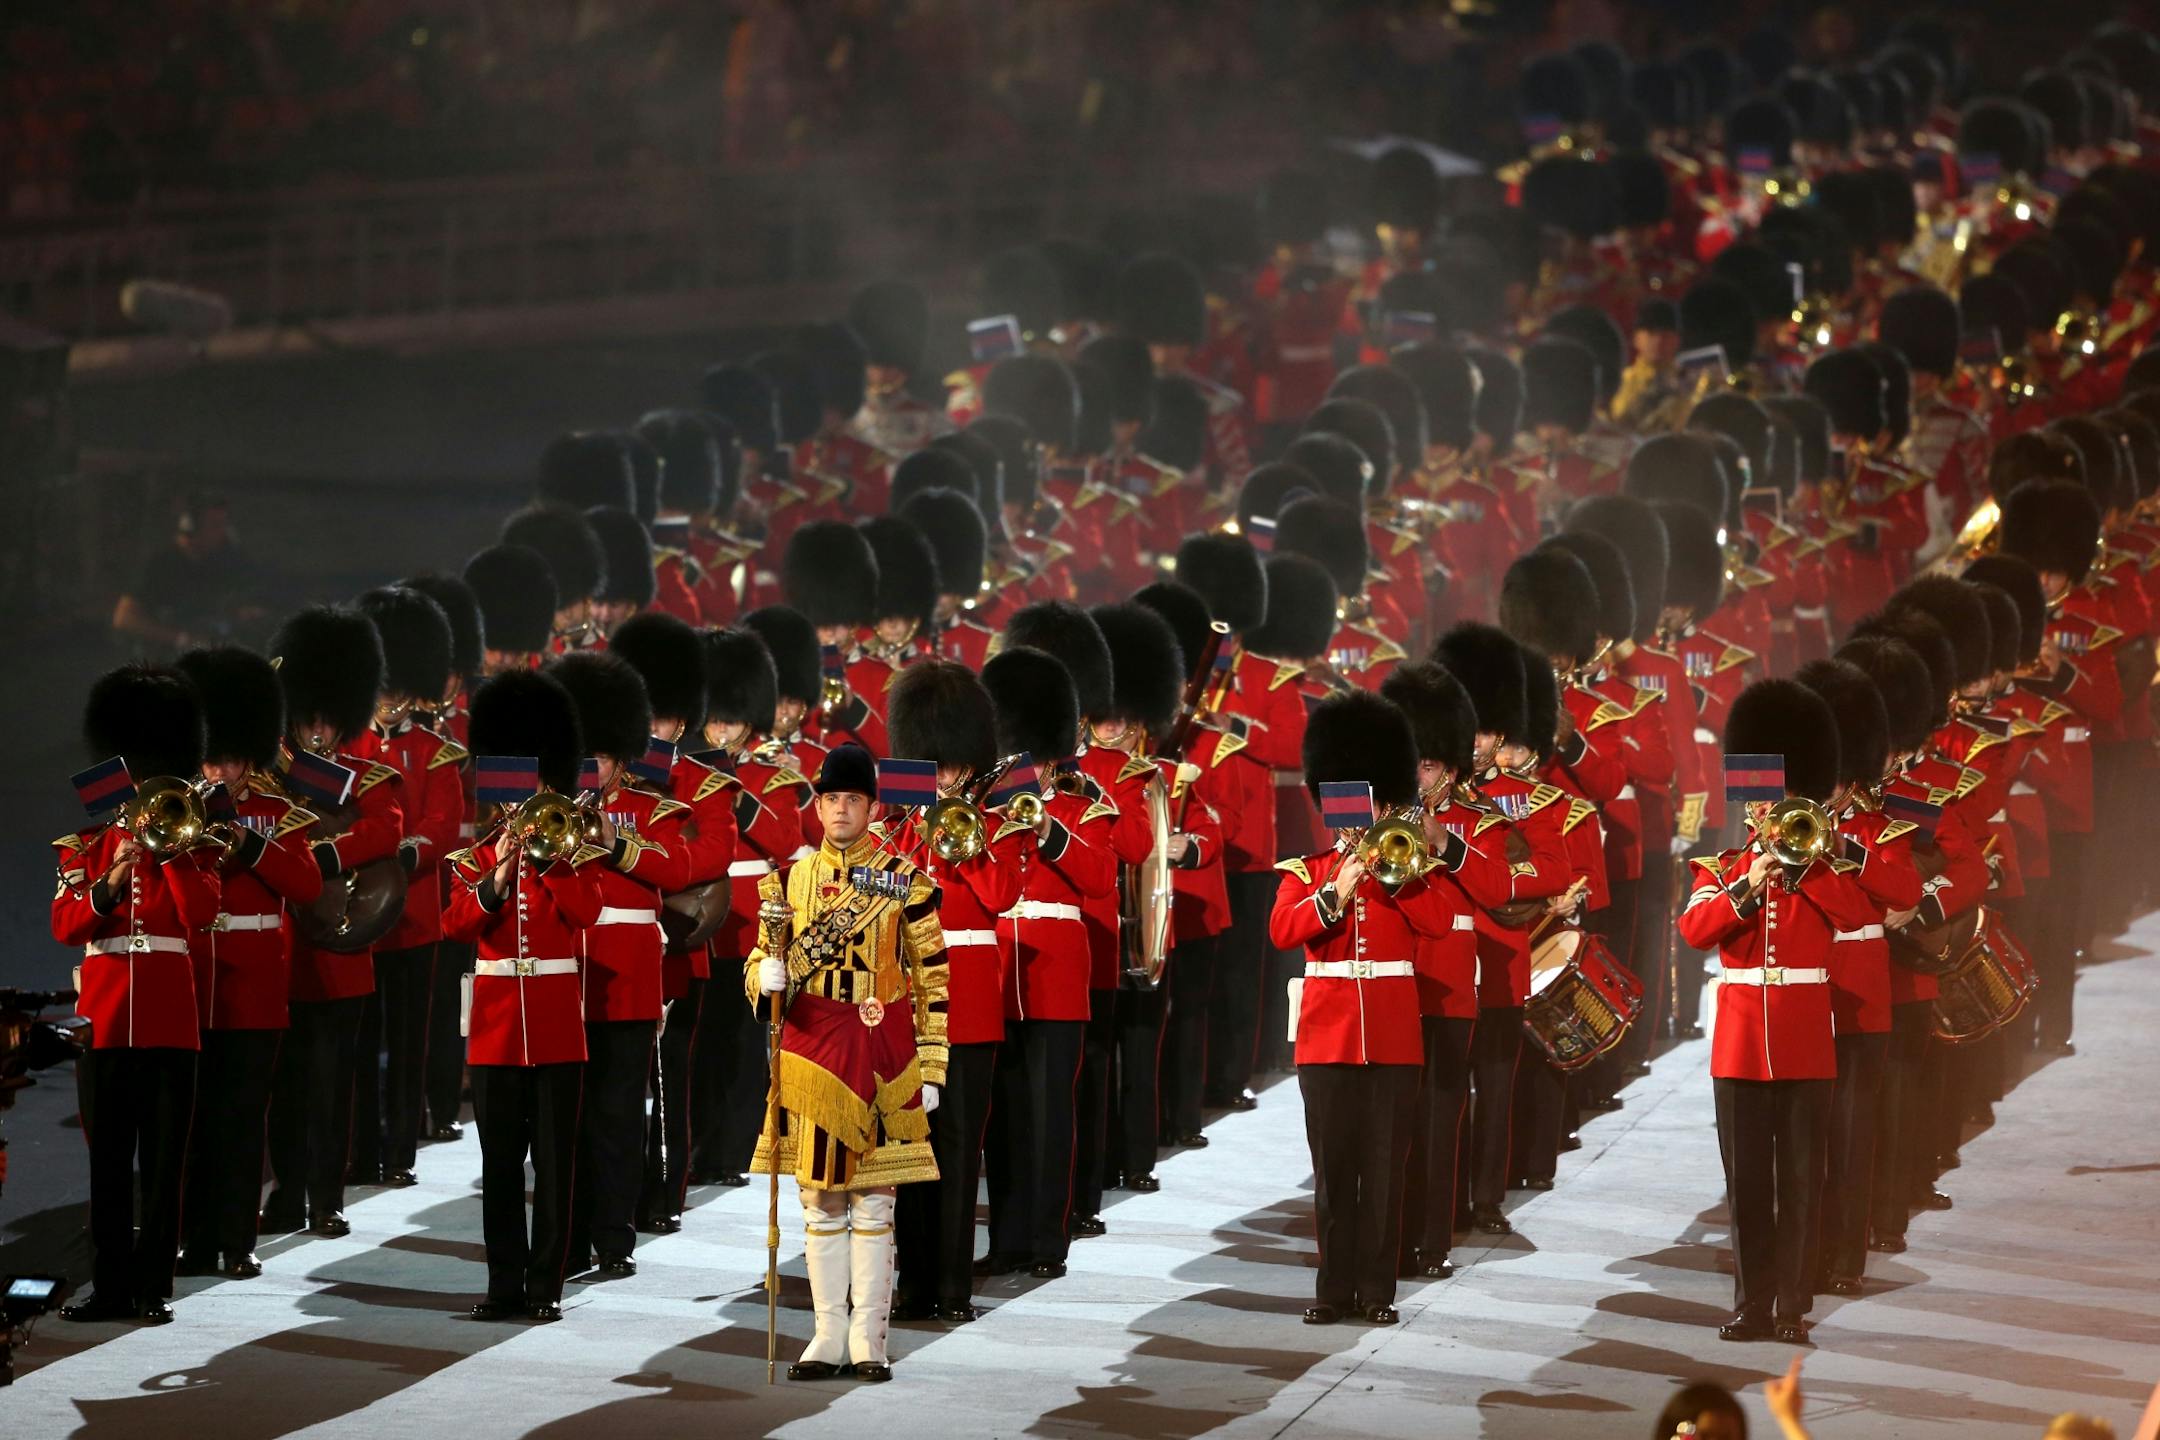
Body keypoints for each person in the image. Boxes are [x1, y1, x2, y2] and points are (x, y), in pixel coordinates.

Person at [1271, 689, 1484, 1326]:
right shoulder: (1305, 870)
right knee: (1334, 1173)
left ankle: (1377, 1291)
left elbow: (1442, 922)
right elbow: (1285, 930)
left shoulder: (1407, 870)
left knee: (1386, 1172)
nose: (1352, 822)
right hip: (1327, 1040)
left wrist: (1400, 873)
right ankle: (1333, 1290)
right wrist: (1338, 884)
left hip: (1391, 1037)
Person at [1679, 677, 1879, 1344]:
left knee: (1800, 1178)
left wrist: (1811, 865)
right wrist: (1746, 884)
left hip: (1802, 1041)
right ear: (1751, 808)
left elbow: (1858, 913)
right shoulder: (1721, 866)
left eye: (1784, 809)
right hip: (1739, 1043)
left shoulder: (1824, 872)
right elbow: (1694, 930)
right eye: (1765, 810)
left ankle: (1793, 1304)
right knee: (1747, 1186)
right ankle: (1751, 1302)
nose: (1772, 820)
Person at [749, 743, 949, 1383]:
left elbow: (932, 979)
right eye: (830, 798)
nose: (839, 809)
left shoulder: (904, 882)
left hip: (881, 1054)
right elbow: (759, 958)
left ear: (871, 806)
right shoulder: (786, 881)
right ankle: (826, 1334)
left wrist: (934, 1065)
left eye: (852, 799)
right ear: (818, 804)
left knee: (872, 1202)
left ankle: (869, 1337)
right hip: (809, 1052)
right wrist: (765, 977)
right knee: (819, 1202)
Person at [54, 664, 222, 1324]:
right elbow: (67, 925)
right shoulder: (85, 848)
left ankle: (153, 1287)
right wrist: (116, 867)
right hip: (107, 1018)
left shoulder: (193, 843)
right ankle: (111, 1286)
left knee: (161, 1168)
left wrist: (171, 850)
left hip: (169, 1019)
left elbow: (200, 914)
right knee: (108, 1169)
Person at [443, 670, 605, 1323]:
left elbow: (585, 912)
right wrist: (501, 870)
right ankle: (505, 1284)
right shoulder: (473, 858)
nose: (525, 801)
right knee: (501, 1164)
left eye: (536, 786)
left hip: (558, 1026)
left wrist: (547, 859)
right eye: (515, 787)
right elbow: (456, 924)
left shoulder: (572, 854)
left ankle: (547, 1286)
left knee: (556, 1165)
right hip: (496, 1029)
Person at [174, 646, 322, 1280]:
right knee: (190, 1122)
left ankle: (238, 1239)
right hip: (191, 983)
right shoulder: (176, 810)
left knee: (241, 1121)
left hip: (254, 987)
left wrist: (249, 843)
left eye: (230, 758)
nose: (221, 769)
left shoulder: (276, 814)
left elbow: (308, 887)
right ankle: (191, 1238)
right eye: (211, 757)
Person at [885, 659, 1023, 1324]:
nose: (943, 778)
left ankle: (954, 1288)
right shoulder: (899, 824)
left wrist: (965, 845)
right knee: (908, 1148)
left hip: (965, 1004)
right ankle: (912, 1284)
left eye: (952, 767)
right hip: (906, 1003)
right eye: (933, 766)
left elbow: (1002, 896)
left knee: (961, 1149)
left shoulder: (991, 824)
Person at [261, 605, 405, 1240]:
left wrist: (324, 851)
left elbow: (387, 829)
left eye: (327, 719)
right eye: (309, 716)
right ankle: (287, 1193)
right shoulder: (269, 773)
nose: (317, 730)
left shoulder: (364, 773)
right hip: (283, 952)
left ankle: (326, 1196)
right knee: (285, 1086)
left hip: (342, 948)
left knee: (331, 1084)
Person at [548, 650, 691, 1279]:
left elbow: (679, 868)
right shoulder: (544, 808)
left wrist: (617, 844)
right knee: (565, 1121)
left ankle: (614, 1236)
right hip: (564, 981)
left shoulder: (652, 808)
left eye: (597, 757)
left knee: (617, 1116)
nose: (587, 768)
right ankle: (569, 1238)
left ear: (620, 760)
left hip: (627, 981)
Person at [349, 585, 465, 1190]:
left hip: (416, 912)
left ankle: (398, 1152)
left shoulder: (435, 752)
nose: (390, 702)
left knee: (409, 1044)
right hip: (359, 917)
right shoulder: (349, 748)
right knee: (362, 1044)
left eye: (396, 691)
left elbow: (443, 826)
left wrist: (404, 852)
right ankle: (361, 1150)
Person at [111, 492, 263, 654]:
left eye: (224, 524)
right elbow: (124, 618)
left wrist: (240, 612)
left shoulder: (218, 560)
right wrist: (183, 639)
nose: (223, 533)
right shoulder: (160, 566)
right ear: (191, 528)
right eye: (215, 525)